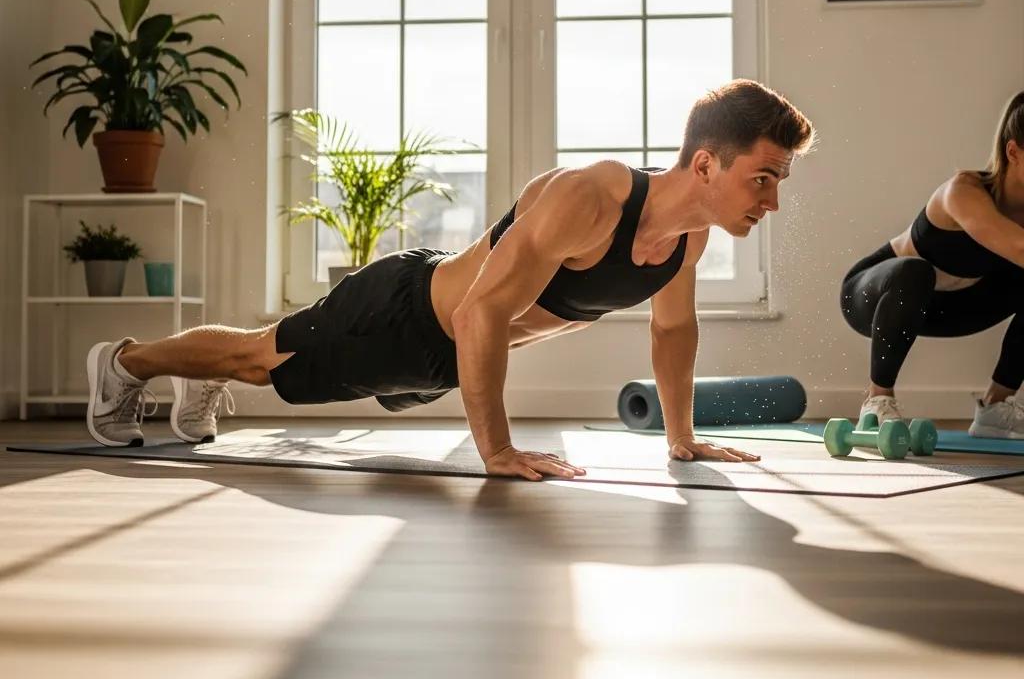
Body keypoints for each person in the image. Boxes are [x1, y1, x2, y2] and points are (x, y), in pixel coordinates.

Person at [85, 78, 815, 479]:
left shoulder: (686, 240)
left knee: (261, 361)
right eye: (764, 178)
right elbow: (480, 314)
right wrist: (496, 451)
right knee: (257, 357)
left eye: (779, 182)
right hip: (404, 314)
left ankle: (188, 378)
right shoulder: (593, 196)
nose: (772, 200)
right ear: (705, 164)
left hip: (436, 359)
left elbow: (674, 330)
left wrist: (681, 438)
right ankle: (125, 362)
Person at [841, 92, 1024, 438]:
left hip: (950, 308)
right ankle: (877, 400)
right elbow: (1017, 245)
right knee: (915, 271)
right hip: (875, 298)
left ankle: (995, 409)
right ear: (1013, 152)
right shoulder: (964, 191)